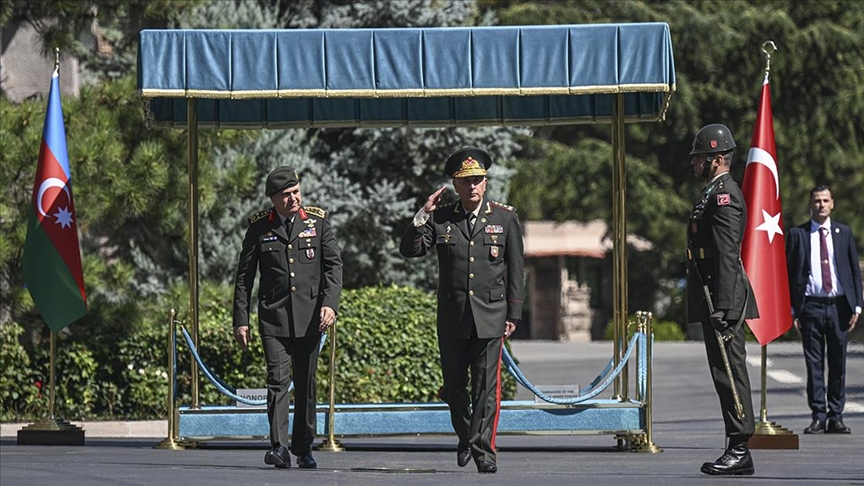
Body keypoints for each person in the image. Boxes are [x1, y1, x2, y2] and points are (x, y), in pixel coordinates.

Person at [400, 147, 524, 474]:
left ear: (486, 183)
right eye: (465, 181)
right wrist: (422, 214)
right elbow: (411, 250)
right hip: (453, 316)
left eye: (478, 180)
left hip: (490, 315)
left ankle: (485, 452)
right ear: (456, 185)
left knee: (486, 388)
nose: (472, 186)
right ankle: (466, 434)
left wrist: (513, 313)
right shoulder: (442, 218)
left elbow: (515, 267)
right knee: (454, 386)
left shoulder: (504, 218)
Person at [233, 166, 343, 469]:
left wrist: (330, 305)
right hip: (274, 319)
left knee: (306, 385)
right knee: (278, 382)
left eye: (296, 192)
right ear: (273, 199)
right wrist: (240, 320)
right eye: (286, 195)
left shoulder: (318, 223)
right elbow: (244, 277)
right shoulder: (258, 228)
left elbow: (334, 268)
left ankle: (303, 447)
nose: (293, 198)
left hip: (310, 318)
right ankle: (279, 447)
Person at [685, 124, 759, 476]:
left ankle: (740, 445)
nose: (694, 162)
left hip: (722, 299)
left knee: (730, 372)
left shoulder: (725, 195)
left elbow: (728, 254)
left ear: (716, 159)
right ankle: (735, 444)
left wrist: (726, 308)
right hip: (713, 295)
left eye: (699, 156)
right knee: (721, 373)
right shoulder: (713, 192)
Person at [786, 184, 862, 435]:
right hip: (811, 307)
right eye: (817, 201)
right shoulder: (798, 234)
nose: (821, 205)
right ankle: (818, 415)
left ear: (832, 204)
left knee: (838, 362)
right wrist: (792, 309)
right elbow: (789, 273)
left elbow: (853, 271)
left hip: (839, 306)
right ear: (811, 205)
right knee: (814, 364)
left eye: (825, 200)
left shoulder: (843, 233)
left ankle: (836, 416)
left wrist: (857, 305)